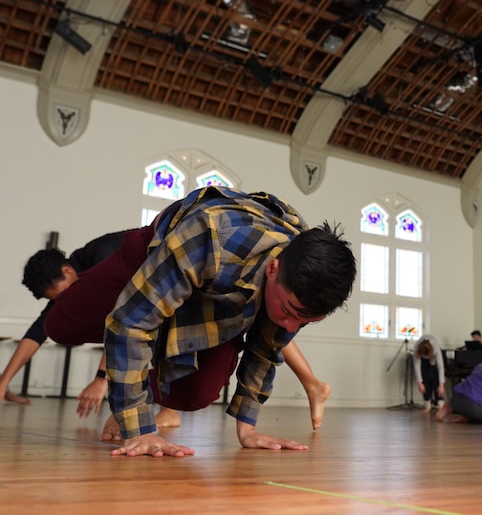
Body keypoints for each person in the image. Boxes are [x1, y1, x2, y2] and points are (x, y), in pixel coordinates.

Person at [46, 186, 355, 457]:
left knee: (197, 395)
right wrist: (137, 426)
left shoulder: (306, 283)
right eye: (288, 311)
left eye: (303, 321)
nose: (290, 327)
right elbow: (130, 322)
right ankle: (127, 375)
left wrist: (247, 430)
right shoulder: (210, 236)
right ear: (274, 268)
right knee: (59, 326)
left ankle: (131, 382)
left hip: (217, 298)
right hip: (158, 255)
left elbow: (267, 347)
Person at [0, 231, 127, 407]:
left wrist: (101, 379)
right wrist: (2, 383)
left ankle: (169, 410)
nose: (65, 303)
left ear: (66, 271)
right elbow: (37, 331)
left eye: (64, 295)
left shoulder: (102, 257)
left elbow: (122, 317)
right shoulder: (70, 280)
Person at [413, 334, 445, 412]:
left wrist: (441, 385)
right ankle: (427, 403)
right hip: (424, 362)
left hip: (433, 358)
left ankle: (440, 402)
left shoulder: (435, 348)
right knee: (425, 378)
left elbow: (440, 366)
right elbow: (417, 366)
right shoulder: (417, 348)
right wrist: (420, 383)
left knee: (435, 377)